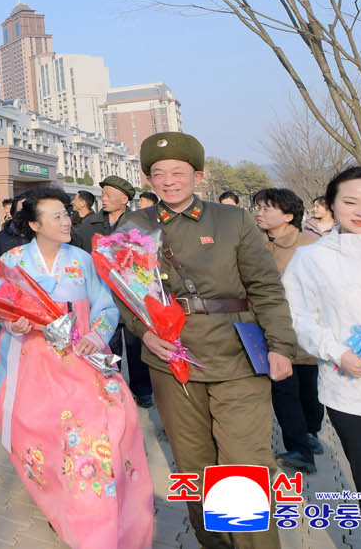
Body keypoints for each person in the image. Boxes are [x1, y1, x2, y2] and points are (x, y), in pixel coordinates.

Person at [116, 133, 296, 549]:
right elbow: (124, 293)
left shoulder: (232, 221)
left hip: (237, 357)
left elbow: (265, 286)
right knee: (195, 467)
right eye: (157, 173)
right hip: (172, 361)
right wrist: (144, 333)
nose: (168, 181)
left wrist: (281, 346)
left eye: (178, 171)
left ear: (198, 175)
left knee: (242, 466)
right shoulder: (134, 227)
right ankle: (215, 543)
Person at [0, 187, 154, 549]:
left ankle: (100, 518)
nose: (66, 220)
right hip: (33, 360)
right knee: (39, 438)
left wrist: (97, 333)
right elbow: (0, 307)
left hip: (81, 358)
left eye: (66, 213)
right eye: (56, 216)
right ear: (34, 224)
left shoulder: (84, 259)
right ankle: (58, 503)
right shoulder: (13, 260)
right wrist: (12, 323)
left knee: (102, 431)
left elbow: (106, 308)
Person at [282, 166, 361, 549]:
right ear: (332, 205)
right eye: (350, 201)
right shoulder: (312, 259)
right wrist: (337, 352)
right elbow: (298, 318)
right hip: (354, 393)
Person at [251, 187, 322, 473]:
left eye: (268, 208)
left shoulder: (309, 246)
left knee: (310, 388)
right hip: (270, 329)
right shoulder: (252, 242)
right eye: (258, 207)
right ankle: (300, 448)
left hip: (304, 328)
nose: (260, 213)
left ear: (289, 216)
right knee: (284, 390)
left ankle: (311, 432)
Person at [72, 175, 152, 408]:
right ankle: (112, 387)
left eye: (108, 194)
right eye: (102, 195)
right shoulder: (89, 225)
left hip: (132, 297)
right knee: (108, 344)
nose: (103, 199)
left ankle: (143, 390)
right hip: (101, 298)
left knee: (136, 345)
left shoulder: (139, 223)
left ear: (124, 199)